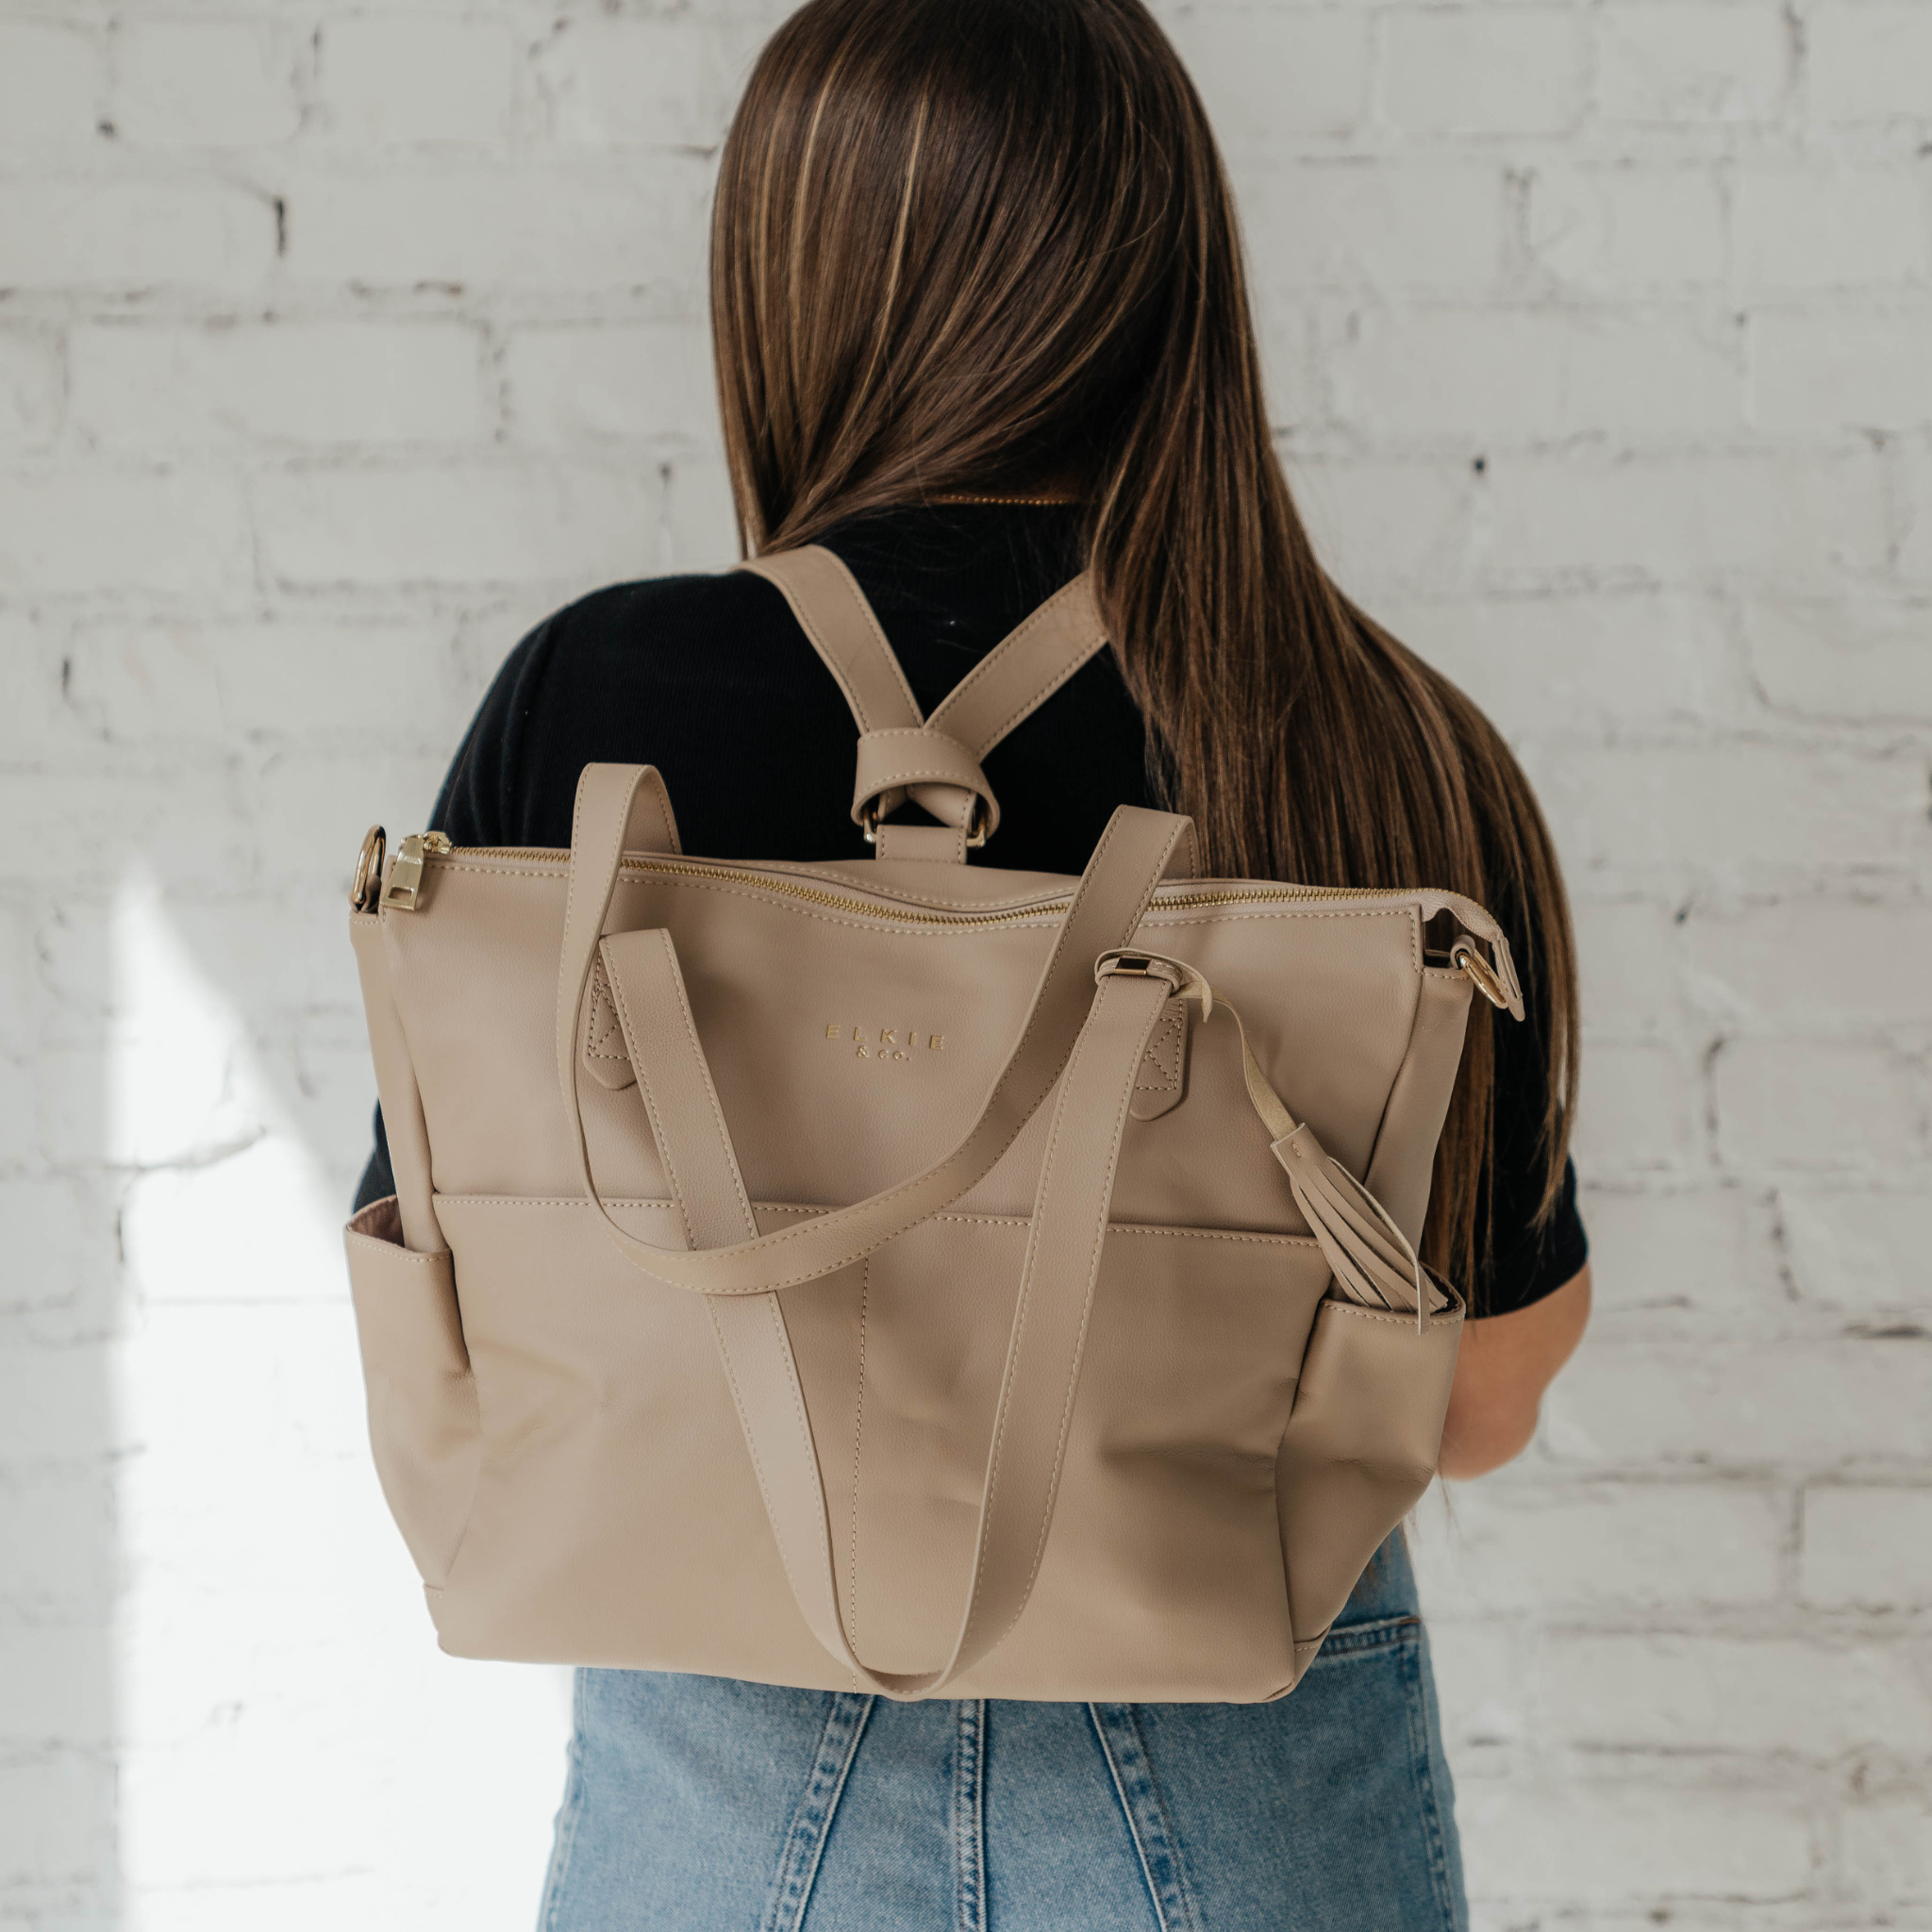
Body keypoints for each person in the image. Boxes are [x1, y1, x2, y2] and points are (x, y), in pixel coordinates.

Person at [357, 1, 1591, 1923]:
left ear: (790, 274)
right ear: (1171, 273)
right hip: (1240, 1735)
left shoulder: (593, 704)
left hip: (714, 1734)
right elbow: (1481, 1399)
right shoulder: (1370, 733)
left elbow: (456, 1287)